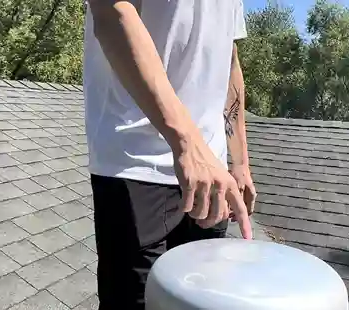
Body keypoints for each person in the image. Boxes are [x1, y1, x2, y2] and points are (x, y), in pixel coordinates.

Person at [83, 0, 257, 309]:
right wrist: (187, 142)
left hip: (213, 174)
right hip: (137, 161)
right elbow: (111, 12)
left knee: (199, 302)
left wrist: (239, 163)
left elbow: (228, 58)